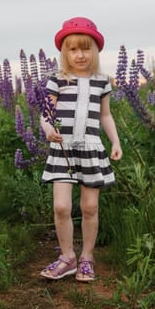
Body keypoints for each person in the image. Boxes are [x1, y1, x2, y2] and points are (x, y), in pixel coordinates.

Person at [39, 17, 122, 282]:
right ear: (65, 52)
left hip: (91, 149)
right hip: (62, 150)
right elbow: (45, 114)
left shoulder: (102, 82)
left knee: (89, 207)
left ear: (95, 50)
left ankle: (87, 256)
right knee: (61, 207)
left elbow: (106, 116)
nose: (80, 54)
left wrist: (115, 141)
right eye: (73, 49)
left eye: (86, 48)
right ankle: (67, 257)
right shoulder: (57, 80)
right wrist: (48, 130)